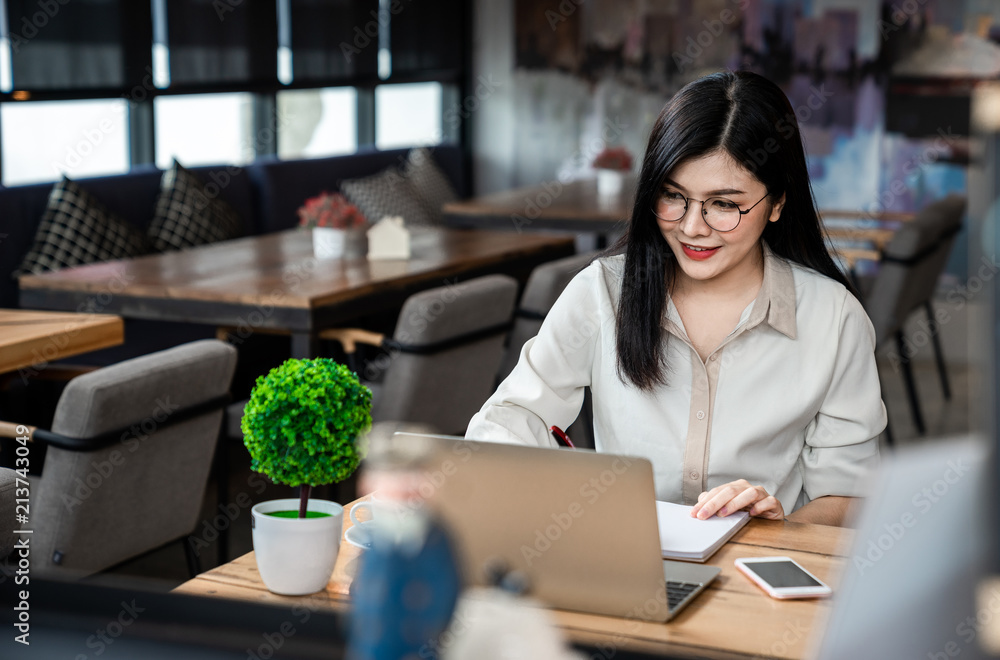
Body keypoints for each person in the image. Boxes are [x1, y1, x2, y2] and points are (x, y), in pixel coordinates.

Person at [466, 71, 886, 527]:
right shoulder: (602, 293)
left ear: (778, 203)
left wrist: (780, 524)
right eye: (673, 197)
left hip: (754, 573)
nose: (692, 227)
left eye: (724, 205)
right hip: (623, 559)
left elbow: (848, 497)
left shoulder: (834, 319)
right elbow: (511, 417)